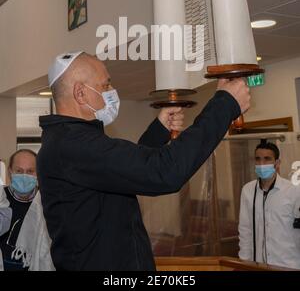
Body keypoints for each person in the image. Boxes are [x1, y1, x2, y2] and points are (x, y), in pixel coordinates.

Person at [37, 51, 250, 271]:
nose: (111, 92)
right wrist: (225, 104)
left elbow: (128, 173)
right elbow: (164, 172)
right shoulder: (73, 145)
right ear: (80, 93)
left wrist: (159, 130)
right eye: (105, 85)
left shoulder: (72, 142)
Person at [238, 141, 300, 269]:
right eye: (258, 159)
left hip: (288, 264)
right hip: (259, 265)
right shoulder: (248, 190)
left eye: (267, 159)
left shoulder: (293, 191)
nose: (262, 164)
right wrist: (244, 262)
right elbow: (245, 230)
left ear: (277, 163)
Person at [0, 150, 38, 271]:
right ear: (10, 171)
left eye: (30, 171)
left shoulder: (45, 204)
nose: (24, 176)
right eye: (19, 171)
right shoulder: (1, 198)